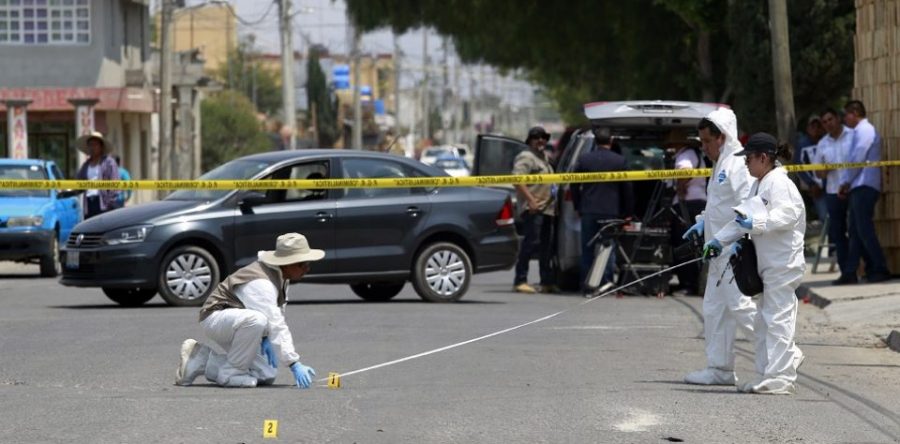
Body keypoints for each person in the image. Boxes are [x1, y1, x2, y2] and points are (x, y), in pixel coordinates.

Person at [709, 133, 806, 394]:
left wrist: (758, 224)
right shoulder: (759, 184)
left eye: (749, 159)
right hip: (768, 263)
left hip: (783, 263)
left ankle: (781, 377)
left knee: (777, 320)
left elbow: (787, 215)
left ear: (763, 158)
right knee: (765, 321)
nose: (745, 164)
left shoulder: (779, 184)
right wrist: (718, 240)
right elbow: (742, 219)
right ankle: (767, 374)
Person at [175, 233, 322, 388]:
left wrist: (266, 338)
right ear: (287, 263)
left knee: (266, 374)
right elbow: (275, 322)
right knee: (256, 320)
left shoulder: (281, 276)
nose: (307, 268)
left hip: (238, 322)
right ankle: (230, 373)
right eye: (302, 264)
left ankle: (201, 360)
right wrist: (294, 363)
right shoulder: (262, 282)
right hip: (216, 318)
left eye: (308, 263)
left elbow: (274, 312)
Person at [681, 109, 758, 386]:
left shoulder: (738, 164)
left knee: (740, 306)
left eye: (706, 141)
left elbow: (746, 207)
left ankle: (782, 352)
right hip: (716, 250)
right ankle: (720, 368)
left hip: (731, 248)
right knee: (715, 309)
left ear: (721, 137)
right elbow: (717, 205)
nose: (703, 147)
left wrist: (730, 240)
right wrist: (702, 223)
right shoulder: (721, 163)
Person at [571, 126, 634, 294]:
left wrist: (578, 206)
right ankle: (606, 283)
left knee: (587, 249)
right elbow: (627, 188)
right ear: (611, 141)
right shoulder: (619, 161)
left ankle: (586, 284)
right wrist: (628, 212)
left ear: (596, 141)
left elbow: (574, 184)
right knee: (608, 247)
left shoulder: (584, 160)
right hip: (610, 211)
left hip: (589, 210)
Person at [835, 100, 891, 284]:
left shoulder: (864, 130)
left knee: (863, 230)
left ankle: (879, 267)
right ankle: (855, 271)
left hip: (864, 184)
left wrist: (845, 182)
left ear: (855, 112)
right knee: (856, 230)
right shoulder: (860, 131)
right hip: (860, 184)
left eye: (846, 115)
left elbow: (857, 159)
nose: (844, 119)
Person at [512, 126, 557, 294]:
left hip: (547, 209)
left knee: (546, 247)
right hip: (534, 208)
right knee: (530, 245)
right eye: (536, 137)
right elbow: (517, 180)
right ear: (530, 140)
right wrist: (530, 201)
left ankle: (546, 281)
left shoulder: (544, 157)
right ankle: (520, 280)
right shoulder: (526, 157)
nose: (541, 140)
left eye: (544, 137)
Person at [813, 108, 854, 280]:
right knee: (837, 232)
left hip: (853, 189)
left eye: (830, 119)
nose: (828, 124)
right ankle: (846, 272)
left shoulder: (853, 136)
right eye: (825, 122)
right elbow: (816, 171)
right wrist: (824, 171)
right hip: (832, 192)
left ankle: (861, 268)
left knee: (857, 230)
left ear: (838, 119)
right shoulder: (823, 143)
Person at [666, 130, 707, 294]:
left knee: (684, 243)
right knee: (694, 243)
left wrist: (680, 187)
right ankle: (693, 282)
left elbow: (685, 171)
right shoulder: (695, 153)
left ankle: (688, 284)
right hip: (697, 202)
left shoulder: (685, 155)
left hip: (687, 204)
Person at [75, 131, 120, 219]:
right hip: (89, 203)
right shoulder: (86, 165)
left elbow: (115, 184)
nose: (92, 148)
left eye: (95, 145)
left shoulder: (109, 163)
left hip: (103, 204)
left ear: (101, 147)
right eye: (90, 145)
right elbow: (78, 183)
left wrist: (109, 202)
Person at [794, 115, 827, 222]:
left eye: (818, 126)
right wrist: (811, 184)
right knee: (824, 215)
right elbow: (799, 166)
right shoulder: (802, 144)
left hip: (831, 185)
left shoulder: (828, 141)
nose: (816, 129)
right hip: (815, 187)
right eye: (813, 126)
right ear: (808, 128)